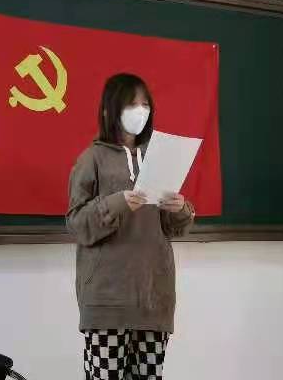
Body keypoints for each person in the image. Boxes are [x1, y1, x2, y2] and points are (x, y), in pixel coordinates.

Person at [67, 73, 195, 380]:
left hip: (154, 298)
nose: (140, 111)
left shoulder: (160, 157)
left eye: (145, 105)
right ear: (109, 110)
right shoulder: (91, 158)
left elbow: (173, 228)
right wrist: (116, 203)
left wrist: (180, 209)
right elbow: (76, 224)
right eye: (131, 105)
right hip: (107, 301)